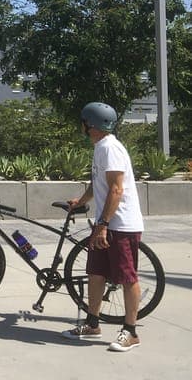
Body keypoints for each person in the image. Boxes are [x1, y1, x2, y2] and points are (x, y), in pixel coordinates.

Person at [61, 102, 145, 352]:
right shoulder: (101, 148)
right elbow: (98, 183)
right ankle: (92, 323)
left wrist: (104, 224)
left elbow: (116, 189)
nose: (82, 126)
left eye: (83, 122)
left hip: (121, 224)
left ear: (90, 125)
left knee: (127, 277)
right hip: (106, 223)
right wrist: (81, 201)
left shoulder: (110, 148)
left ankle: (130, 332)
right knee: (95, 274)